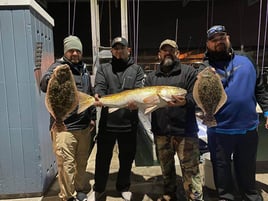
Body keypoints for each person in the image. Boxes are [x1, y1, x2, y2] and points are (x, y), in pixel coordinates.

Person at [203, 25, 268, 201]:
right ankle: (226, 197)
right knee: (222, 170)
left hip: (247, 128)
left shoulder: (247, 59)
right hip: (218, 130)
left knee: (247, 168)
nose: (219, 41)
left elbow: (260, 89)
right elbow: (198, 97)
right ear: (208, 44)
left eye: (222, 37)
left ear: (228, 38)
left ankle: (250, 195)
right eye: (214, 40)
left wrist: (267, 111)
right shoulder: (204, 67)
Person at [144, 39, 203, 201]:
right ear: (159, 54)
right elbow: (145, 102)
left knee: (191, 170)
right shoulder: (151, 77)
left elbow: (196, 96)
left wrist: (185, 101)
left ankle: (194, 198)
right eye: (164, 50)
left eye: (171, 50)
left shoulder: (189, 72)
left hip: (186, 132)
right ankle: (169, 194)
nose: (167, 53)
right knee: (166, 169)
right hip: (161, 132)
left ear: (177, 53)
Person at [88, 36, 144, 201]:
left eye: (122, 48)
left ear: (129, 50)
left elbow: (140, 89)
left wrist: (138, 102)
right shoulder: (104, 69)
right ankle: (98, 189)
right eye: (116, 48)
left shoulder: (137, 70)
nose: (119, 51)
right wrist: (98, 95)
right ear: (112, 51)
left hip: (129, 124)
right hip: (107, 124)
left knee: (127, 158)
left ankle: (124, 186)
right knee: (102, 158)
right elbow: (99, 86)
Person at [40, 35, 96, 201]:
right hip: (64, 127)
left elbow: (89, 94)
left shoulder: (84, 69)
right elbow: (44, 85)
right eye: (71, 50)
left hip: (84, 126)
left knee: (81, 162)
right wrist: (52, 76)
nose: (74, 53)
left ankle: (79, 189)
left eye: (77, 50)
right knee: (66, 165)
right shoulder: (58, 67)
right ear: (65, 52)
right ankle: (67, 195)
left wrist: (92, 117)